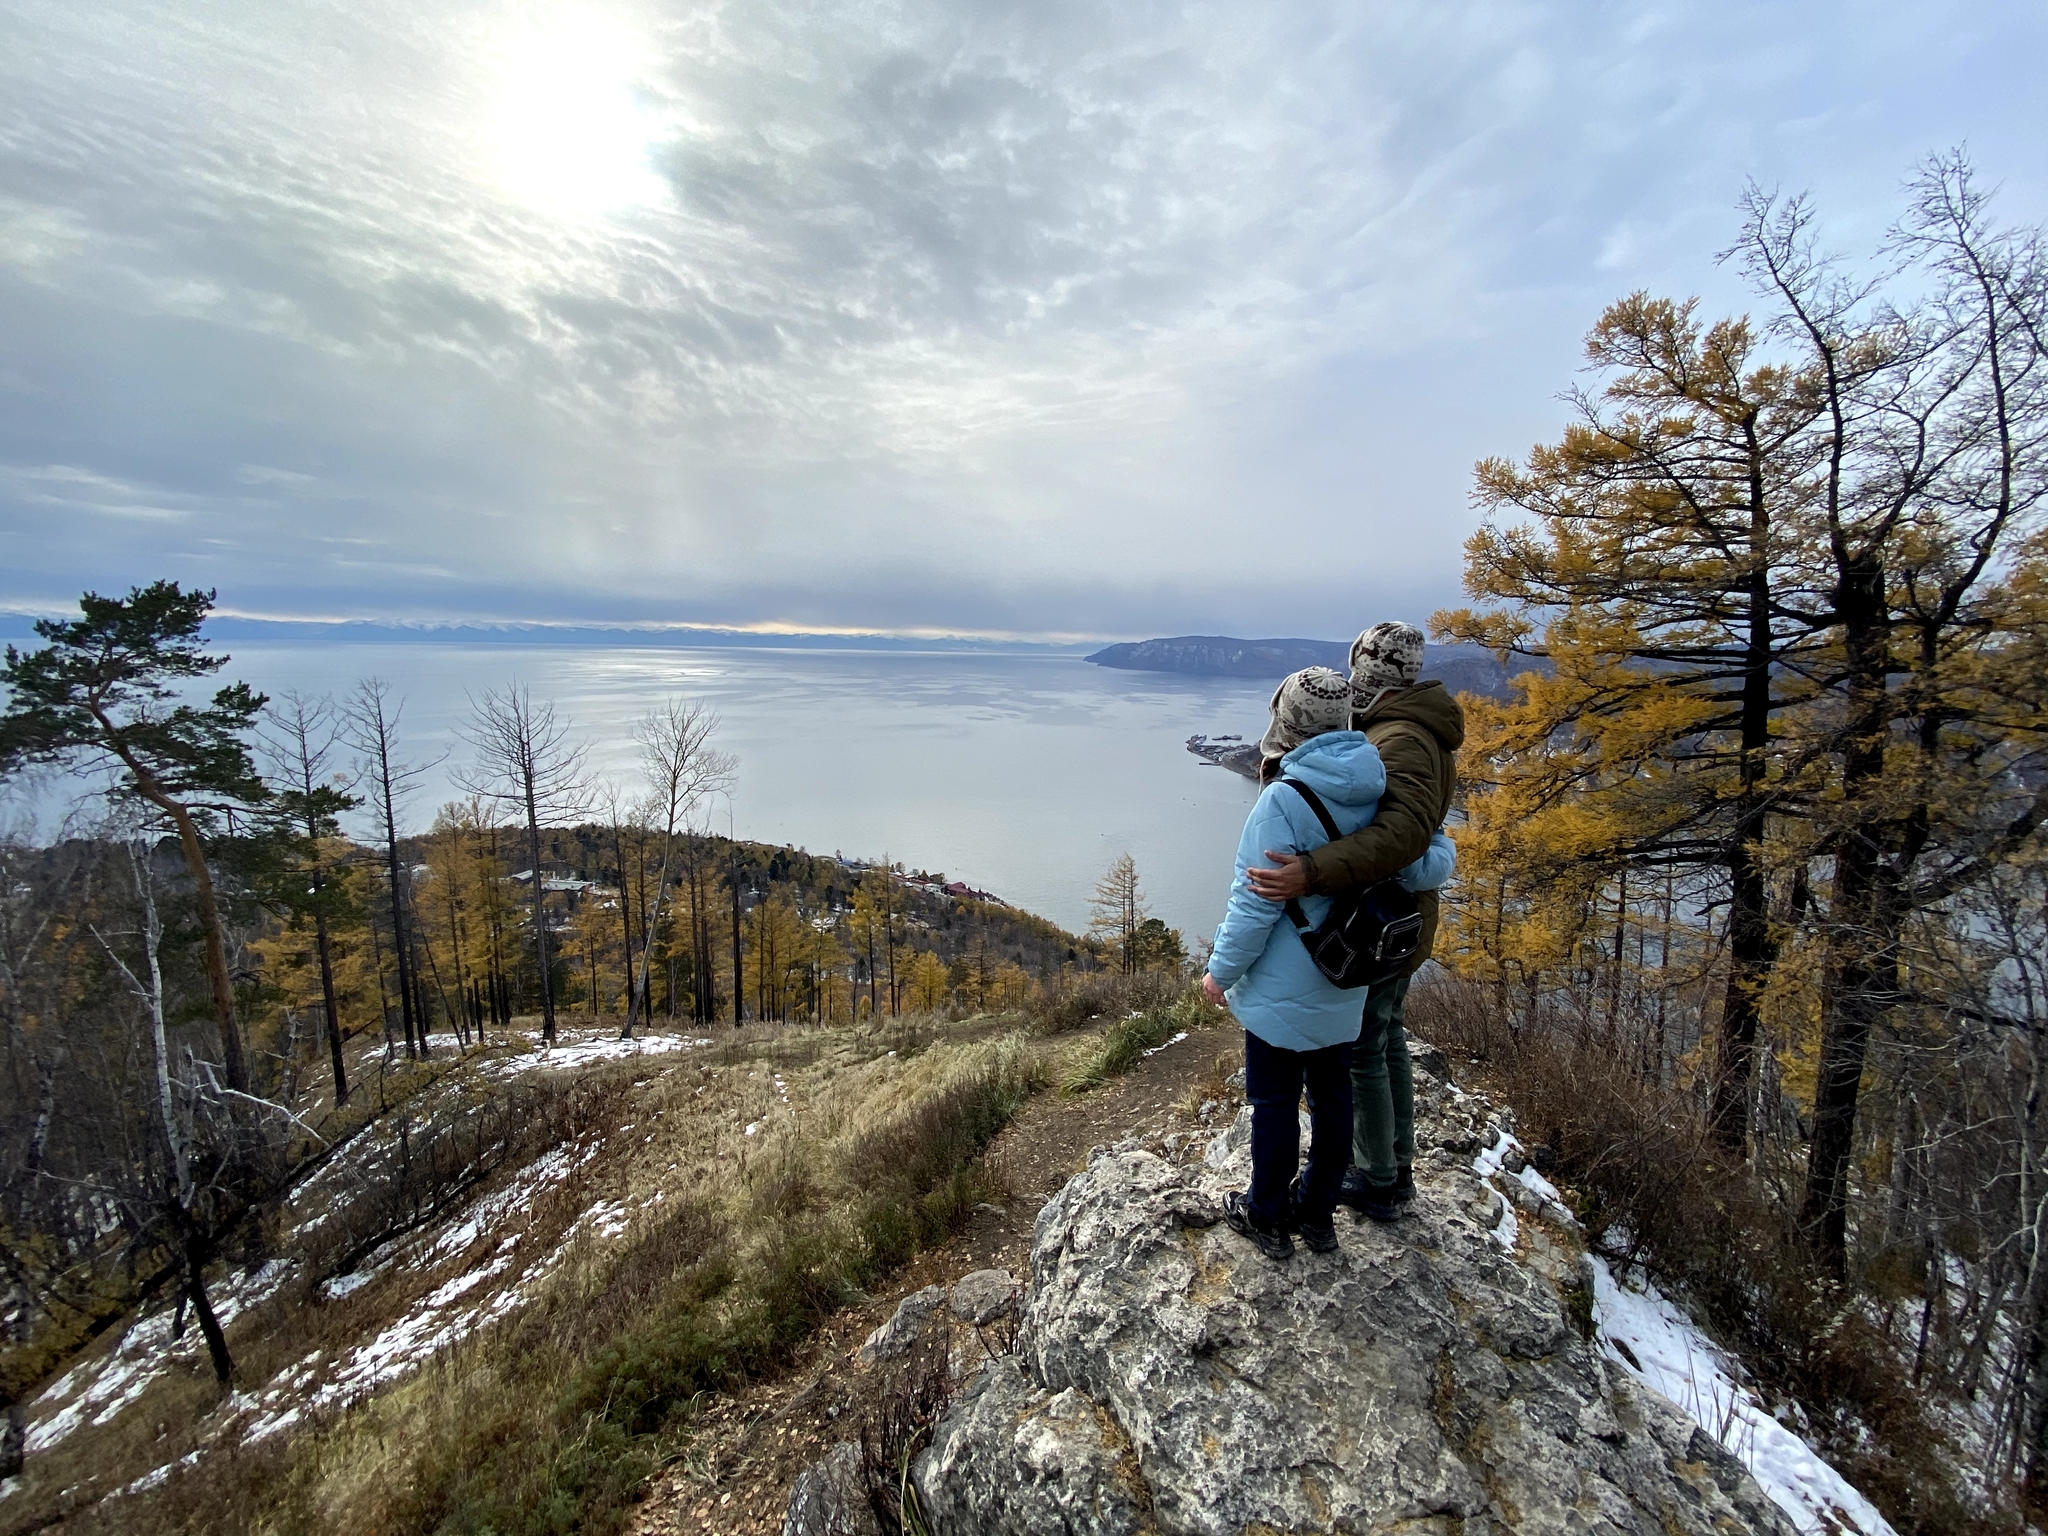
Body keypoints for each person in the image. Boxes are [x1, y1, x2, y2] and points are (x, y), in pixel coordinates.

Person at [1201, 666, 1455, 1261]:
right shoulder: (1377, 784)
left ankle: (1266, 1215)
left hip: (1282, 991)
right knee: (1334, 1097)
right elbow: (1425, 861)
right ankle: (1317, 1214)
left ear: (1285, 724)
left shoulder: (1282, 801)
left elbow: (1253, 906)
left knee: (1272, 1104)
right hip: (1345, 979)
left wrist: (1220, 973)